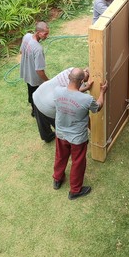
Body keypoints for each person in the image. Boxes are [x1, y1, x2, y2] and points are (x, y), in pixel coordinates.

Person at [53, 68, 108, 199]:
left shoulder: (57, 91)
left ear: (69, 78)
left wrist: (83, 88)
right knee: (78, 162)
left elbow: (70, 95)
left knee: (60, 156)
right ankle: (75, 190)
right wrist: (102, 92)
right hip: (77, 138)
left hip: (60, 133)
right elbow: (98, 107)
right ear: (82, 80)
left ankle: (57, 179)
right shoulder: (86, 100)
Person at [32, 67, 92, 143]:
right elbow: (78, 99)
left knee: (42, 116)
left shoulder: (73, 70)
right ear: (82, 80)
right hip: (49, 106)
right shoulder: (81, 87)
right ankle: (69, 140)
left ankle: (47, 136)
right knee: (64, 121)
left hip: (39, 93)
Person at [20, 21, 49, 116]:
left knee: (30, 90)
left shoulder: (27, 36)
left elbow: (21, 51)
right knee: (37, 95)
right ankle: (36, 113)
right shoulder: (38, 49)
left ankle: (33, 110)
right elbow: (39, 70)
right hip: (35, 78)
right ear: (38, 33)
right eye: (45, 34)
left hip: (26, 72)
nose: (47, 36)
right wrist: (47, 80)